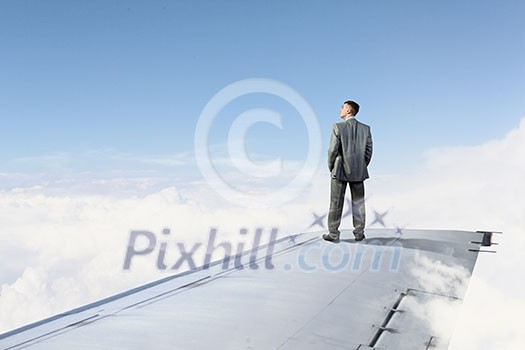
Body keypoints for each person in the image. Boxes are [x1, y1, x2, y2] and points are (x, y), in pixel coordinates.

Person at [323, 100, 373, 243]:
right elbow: (369, 151)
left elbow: (332, 150)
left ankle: (333, 234)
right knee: (358, 203)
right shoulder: (366, 128)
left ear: (349, 111)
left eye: (342, 108)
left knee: (336, 203)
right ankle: (359, 233)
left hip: (339, 170)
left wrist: (331, 167)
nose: (340, 110)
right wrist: (362, 165)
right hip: (359, 170)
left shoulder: (337, 127)